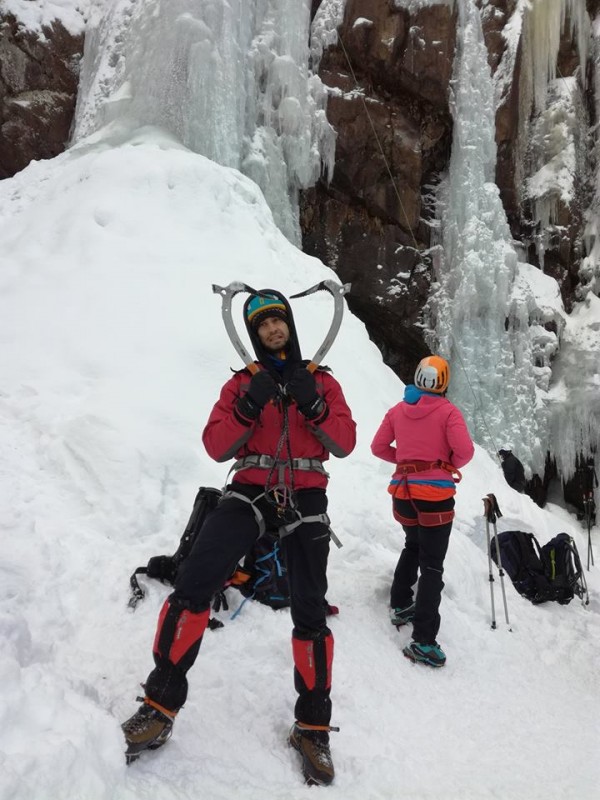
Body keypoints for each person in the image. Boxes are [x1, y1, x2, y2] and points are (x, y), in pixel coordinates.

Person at [121, 289, 356, 786]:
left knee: (310, 607)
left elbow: (344, 442)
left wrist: (310, 400)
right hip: (250, 489)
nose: (273, 330)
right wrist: (251, 404)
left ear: (290, 325)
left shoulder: (321, 381)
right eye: (263, 325)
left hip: (306, 495)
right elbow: (216, 445)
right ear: (254, 334)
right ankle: (159, 708)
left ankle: (312, 727)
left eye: (278, 321)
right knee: (196, 579)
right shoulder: (241, 385)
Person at [370, 355, 474, 668]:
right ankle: (424, 642)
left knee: (412, 545)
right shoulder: (448, 412)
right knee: (432, 566)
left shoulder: (398, 409)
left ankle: (401, 604)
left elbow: (377, 447)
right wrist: (443, 466)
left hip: (403, 493)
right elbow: (465, 452)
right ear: (443, 382)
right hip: (435, 498)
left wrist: (405, 460)